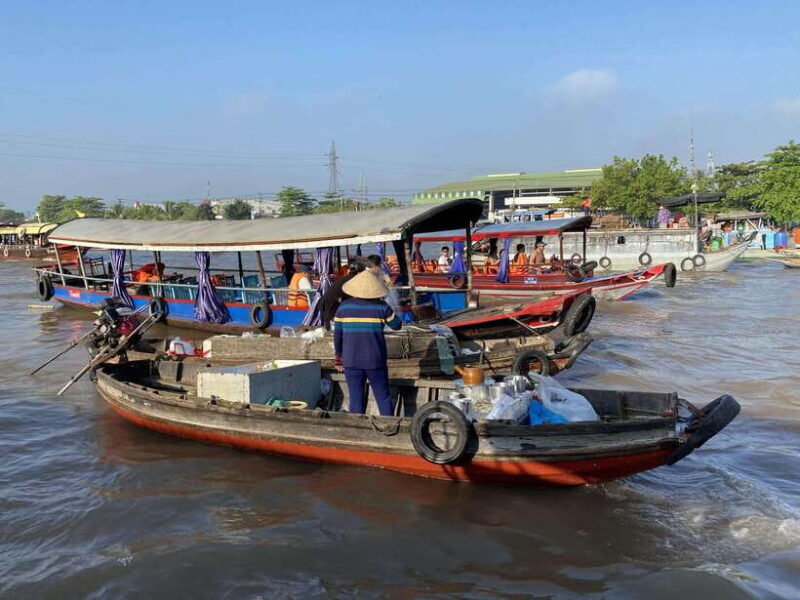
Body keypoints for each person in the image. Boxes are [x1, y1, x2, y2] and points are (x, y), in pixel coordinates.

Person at [333, 270, 402, 416]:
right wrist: (390, 308)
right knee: (383, 396)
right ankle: (389, 429)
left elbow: (337, 336)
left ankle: (357, 432)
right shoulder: (382, 307)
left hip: (351, 360)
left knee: (356, 398)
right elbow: (397, 325)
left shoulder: (344, 307)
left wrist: (338, 358)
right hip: (375, 359)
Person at [320, 257, 366, 329]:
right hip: (331, 305)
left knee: (330, 326)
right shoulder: (353, 279)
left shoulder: (347, 278)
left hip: (326, 303)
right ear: (359, 272)